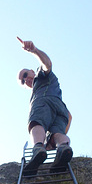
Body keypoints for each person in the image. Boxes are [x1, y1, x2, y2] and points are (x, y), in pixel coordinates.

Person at [17, 37, 73, 176]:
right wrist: (52, 143)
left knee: (36, 122)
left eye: (25, 75)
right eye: (23, 81)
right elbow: (69, 116)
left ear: (31, 71)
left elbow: (47, 64)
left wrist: (34, 50)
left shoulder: (39, 77)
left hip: (43, 101)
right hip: (60, 109)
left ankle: (38, 148)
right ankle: (63, 148)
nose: (26, 79)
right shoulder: (50, 83)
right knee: (57, 133)